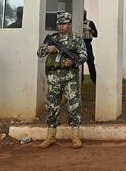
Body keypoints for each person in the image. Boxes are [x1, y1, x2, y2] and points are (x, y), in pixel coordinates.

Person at [37, 11, 88, 149]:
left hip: (69, 79)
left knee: (74, 106)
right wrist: (48, 48)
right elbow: (39, 53)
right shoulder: (52, 38)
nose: (61, 26)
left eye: (64, 24)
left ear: (70, 24)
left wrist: (73, 62)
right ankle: (51, 136)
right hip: (53, 78)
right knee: (52, 106)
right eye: (59, 24)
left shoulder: (76, 39)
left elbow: (83, 56)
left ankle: (75, 136)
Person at [82, 10, 98, 84]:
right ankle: (80, 79)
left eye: (83, 14)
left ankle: (94, 80)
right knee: (79, 62)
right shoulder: (76, 22)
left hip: (87, 43)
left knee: (90, 62)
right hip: (79, 44)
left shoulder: (90, 23)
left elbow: (96, 35)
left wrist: (90, 29)